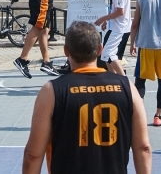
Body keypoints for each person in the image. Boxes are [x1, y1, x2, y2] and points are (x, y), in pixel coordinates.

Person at [22, 21, 151, 174]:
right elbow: (143, 147)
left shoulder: (52, 91)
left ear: (66, 51)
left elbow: (33, 155)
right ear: (100, 49)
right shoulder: (127, 87)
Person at [94, 0, 132, 75]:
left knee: (108, 54)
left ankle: (122, 78)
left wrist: (103, 18)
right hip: (119, 26)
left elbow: (120, 11)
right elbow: (116, 8)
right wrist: (107, 20)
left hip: (120, 28)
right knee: (106, 55)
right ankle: (114, 78)